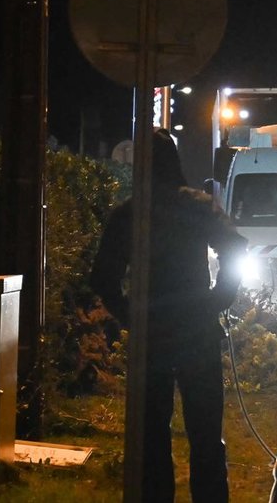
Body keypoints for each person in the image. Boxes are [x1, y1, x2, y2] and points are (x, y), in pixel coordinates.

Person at [89, 129, 247, 502]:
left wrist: (130, 317)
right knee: (206, 434)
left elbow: (103, 278)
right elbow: (236, 249)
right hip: (197, 329)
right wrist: (217, 300)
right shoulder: (196, 205)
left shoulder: (130, 213)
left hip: (151, 335)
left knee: (151, 436)